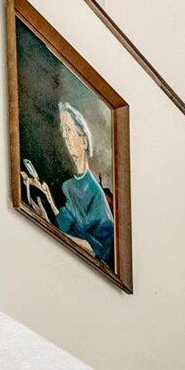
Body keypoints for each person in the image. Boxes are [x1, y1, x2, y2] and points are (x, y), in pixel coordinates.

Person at [46, 101, 116, 268]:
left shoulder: (95, 192)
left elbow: (101, 249)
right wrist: (49, 201)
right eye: (63, 130)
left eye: (68, 130)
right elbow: (68, 226)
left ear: (83, 141)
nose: (64, 136)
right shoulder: (67, 186)